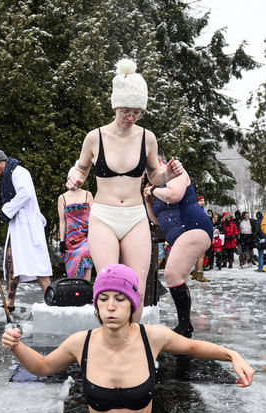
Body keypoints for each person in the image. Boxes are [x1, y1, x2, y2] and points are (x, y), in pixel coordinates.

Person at [1, 263, 254, 413]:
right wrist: (16, 347)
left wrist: (233, 355)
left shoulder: (151, 336)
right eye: (104, 299)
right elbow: (42, 367)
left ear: (132, 303)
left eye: (120, 299)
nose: (111, 307)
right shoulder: (81, 343)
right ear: (96, 305)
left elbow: (193, 347)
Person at [65, 59, 184, 321]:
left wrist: (168, 175)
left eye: (137, 112)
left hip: (134, 217)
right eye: (126, 111)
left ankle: (132, 343)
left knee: (136, 287)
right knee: (109, 285)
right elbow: (81, 168)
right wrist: (74, 177)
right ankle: (107, 343)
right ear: (115, 106)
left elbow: (154, 175)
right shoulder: (95, 137)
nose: (131, 118)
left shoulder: (147, 137)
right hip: (104, 216)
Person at [143, 159, 213, 337]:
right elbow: (156, 220)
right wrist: (148, 200)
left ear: (160, 161)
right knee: (178, 278)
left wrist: (153, 190)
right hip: (179, 235)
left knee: (171, 274)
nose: (147, 172)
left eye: (150, 167)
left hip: (193, 227)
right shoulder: (156, 186)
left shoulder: (176, 172)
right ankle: (185, 325)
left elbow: (174, 196)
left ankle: (184, 325)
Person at [0, 148, 52, 310]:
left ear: (1, 162)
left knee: (39, 264)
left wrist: (6, 210)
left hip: (28, 225)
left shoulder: (19, 172)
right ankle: (10, 302)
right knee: (11, 264)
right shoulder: (8, 176)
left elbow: (25, 194)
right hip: (17, 225)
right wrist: (3, 211)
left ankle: (51, 300)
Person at [58, 167, 94, 279]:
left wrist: (92, 232)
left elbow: (94, 217)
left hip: (86, 237)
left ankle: (86, 289)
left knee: (86, 255)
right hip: (71, 239)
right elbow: (62, 221)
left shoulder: (88, 195)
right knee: (73, 271)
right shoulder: (62, 198)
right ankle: (76, 292)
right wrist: (62, 241)